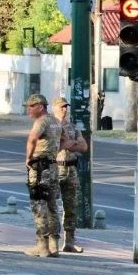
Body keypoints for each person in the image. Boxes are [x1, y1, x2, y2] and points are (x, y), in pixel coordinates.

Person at [24, 93, 63, 257]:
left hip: (40, 168)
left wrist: (29, 157)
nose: (29, 111)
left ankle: (42, 246)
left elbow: (32, 139)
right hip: (53, 167)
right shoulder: (56, 122)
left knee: (39, 205)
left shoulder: (41, 122)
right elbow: (64, 141)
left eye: (31, 107)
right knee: (52, 205)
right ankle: (54, 245)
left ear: (40, 106)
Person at [52, 96, 89, 253]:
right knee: (51, 205)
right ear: (54, 109)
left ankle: (69, 241)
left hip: (71, 169)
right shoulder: (49, 126)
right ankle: (52, 239)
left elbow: (83, 147)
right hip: (55, 168)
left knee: (71, 206)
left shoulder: (73, 128)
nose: (65, 109)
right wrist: (70, 144)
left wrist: (71, 144)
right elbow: (53, 146)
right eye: (61, 107)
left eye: (66, 106)